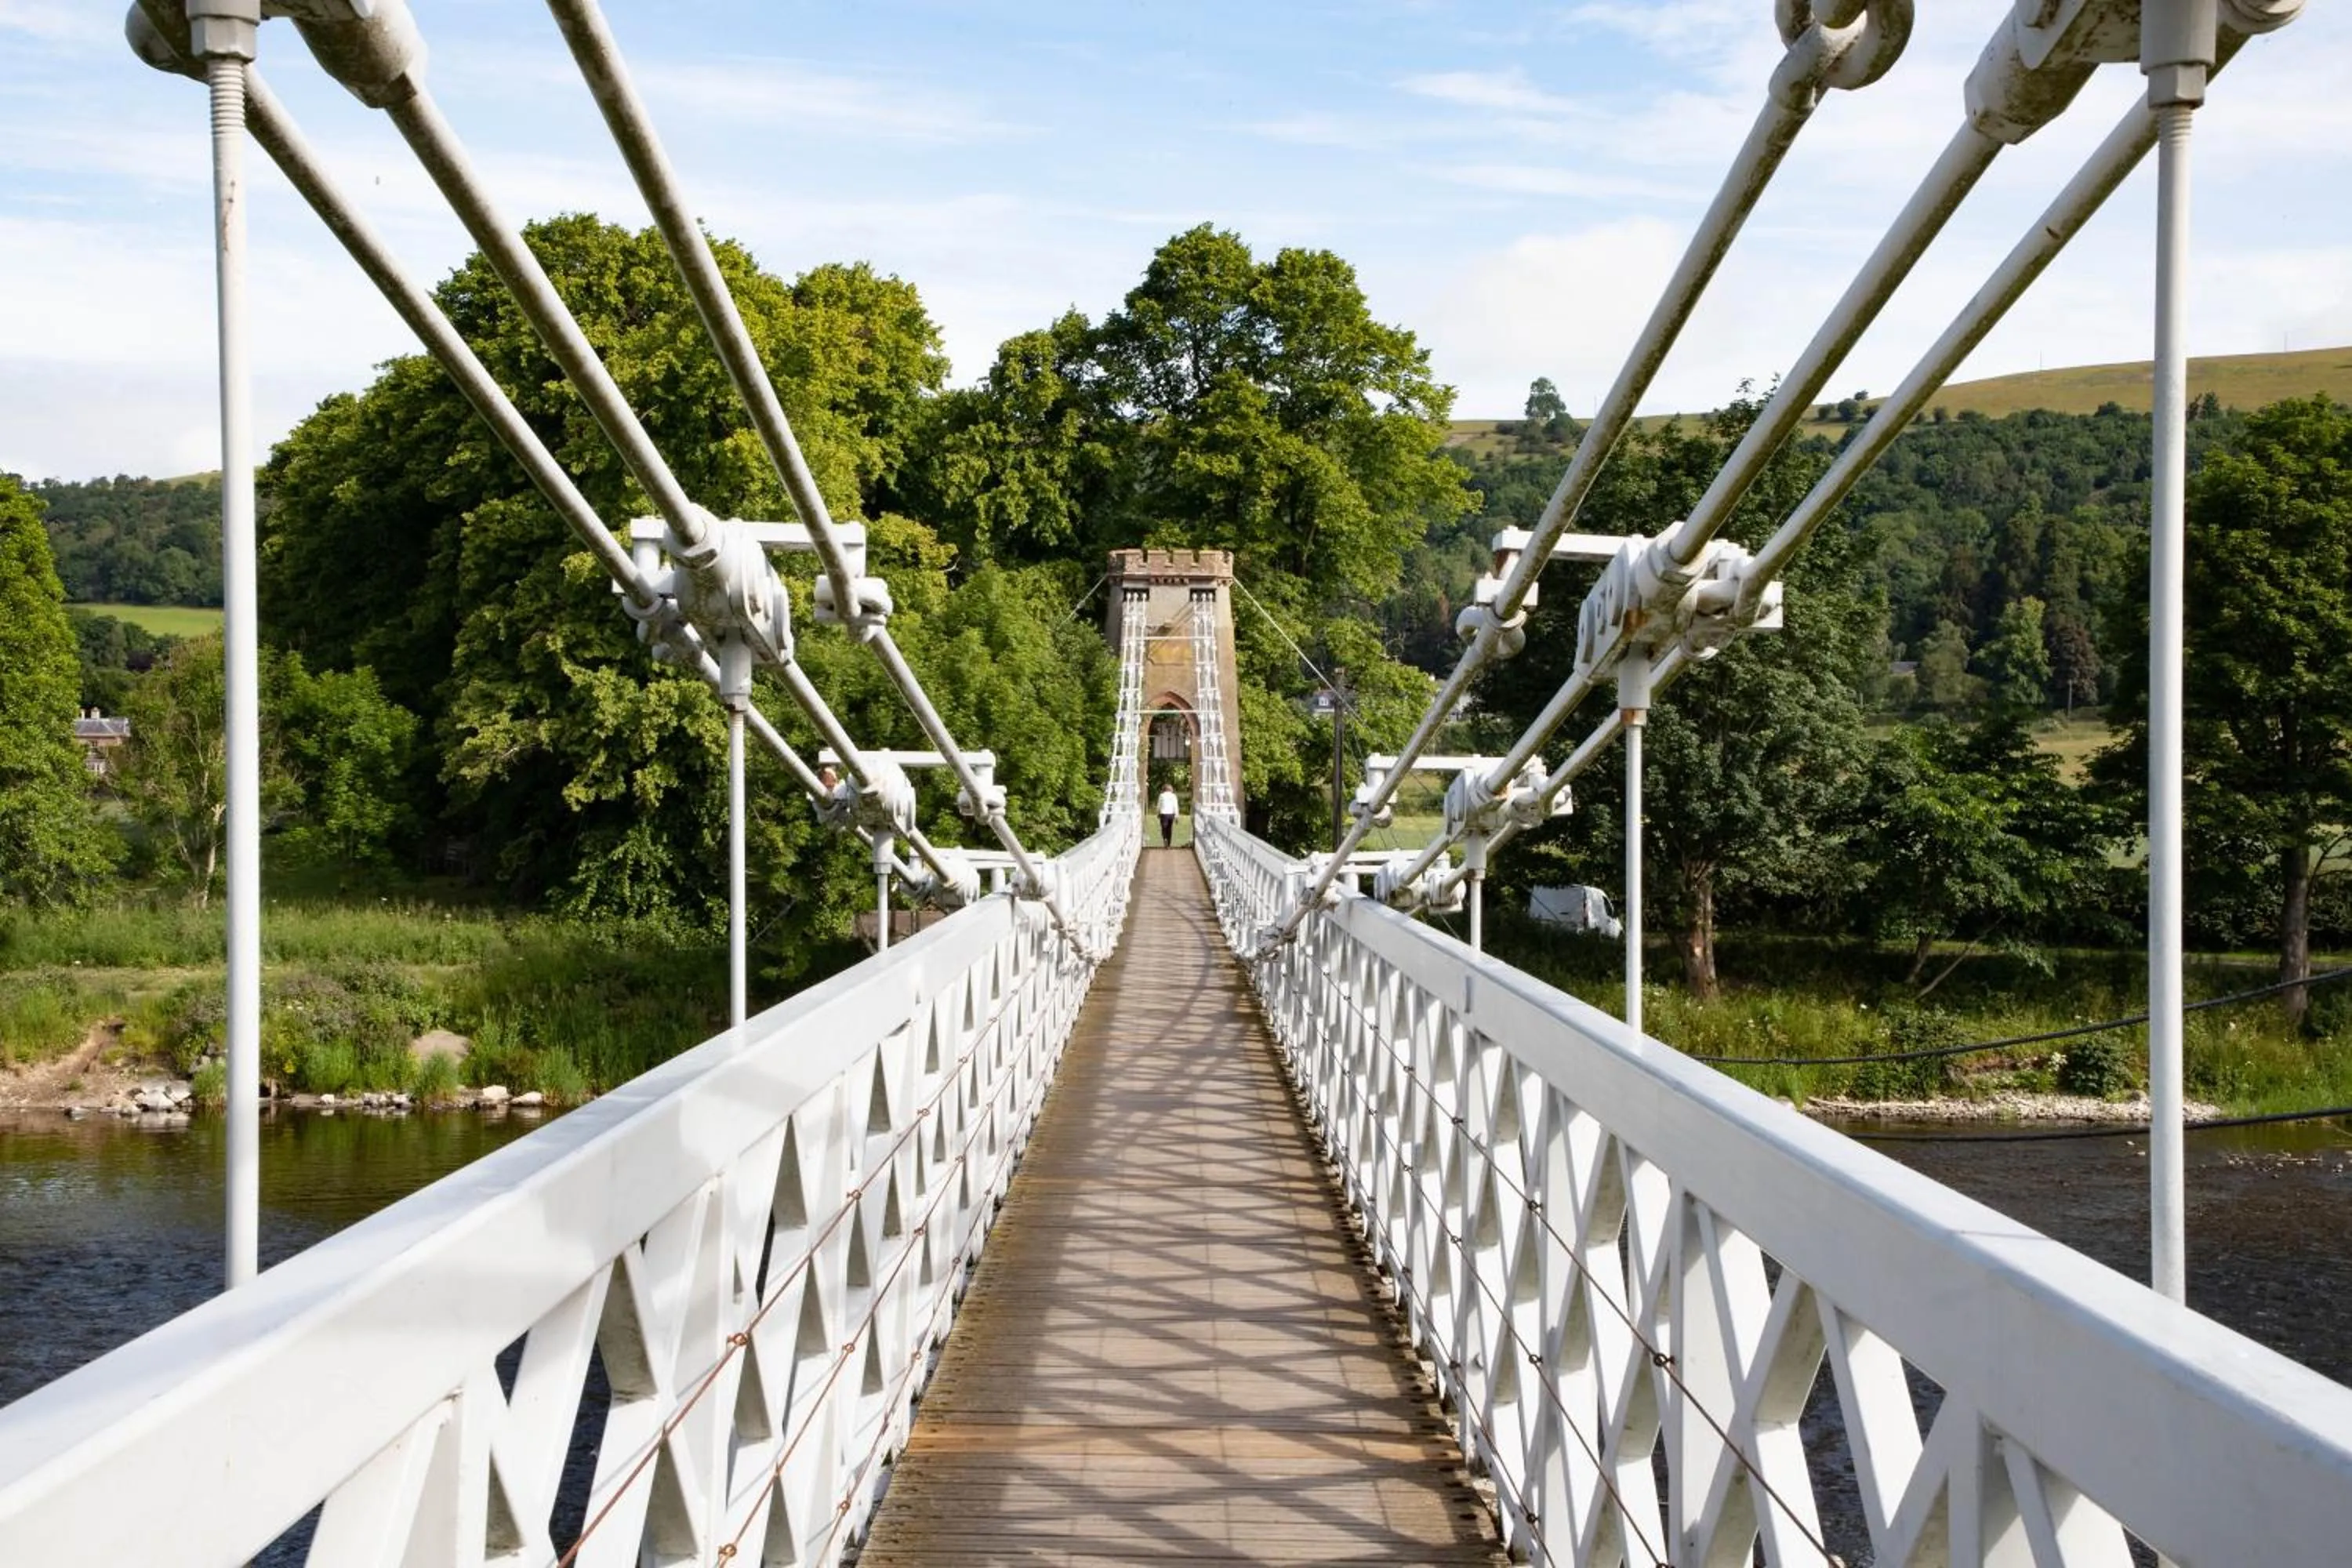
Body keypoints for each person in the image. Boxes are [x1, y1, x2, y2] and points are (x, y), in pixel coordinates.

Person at [1156, 784, 1180, 848]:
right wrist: (1177, 816)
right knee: (1169, 829)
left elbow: (1159, 805)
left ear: (1164, 789)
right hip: (1171, 814)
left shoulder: (1161, 795)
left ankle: (1165, 839)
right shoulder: (1173, 796)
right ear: (1171, 789)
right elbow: (1176, 806)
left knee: (1164, 828)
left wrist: (1158, 813)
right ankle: (1169, 844)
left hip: (1163, 814)